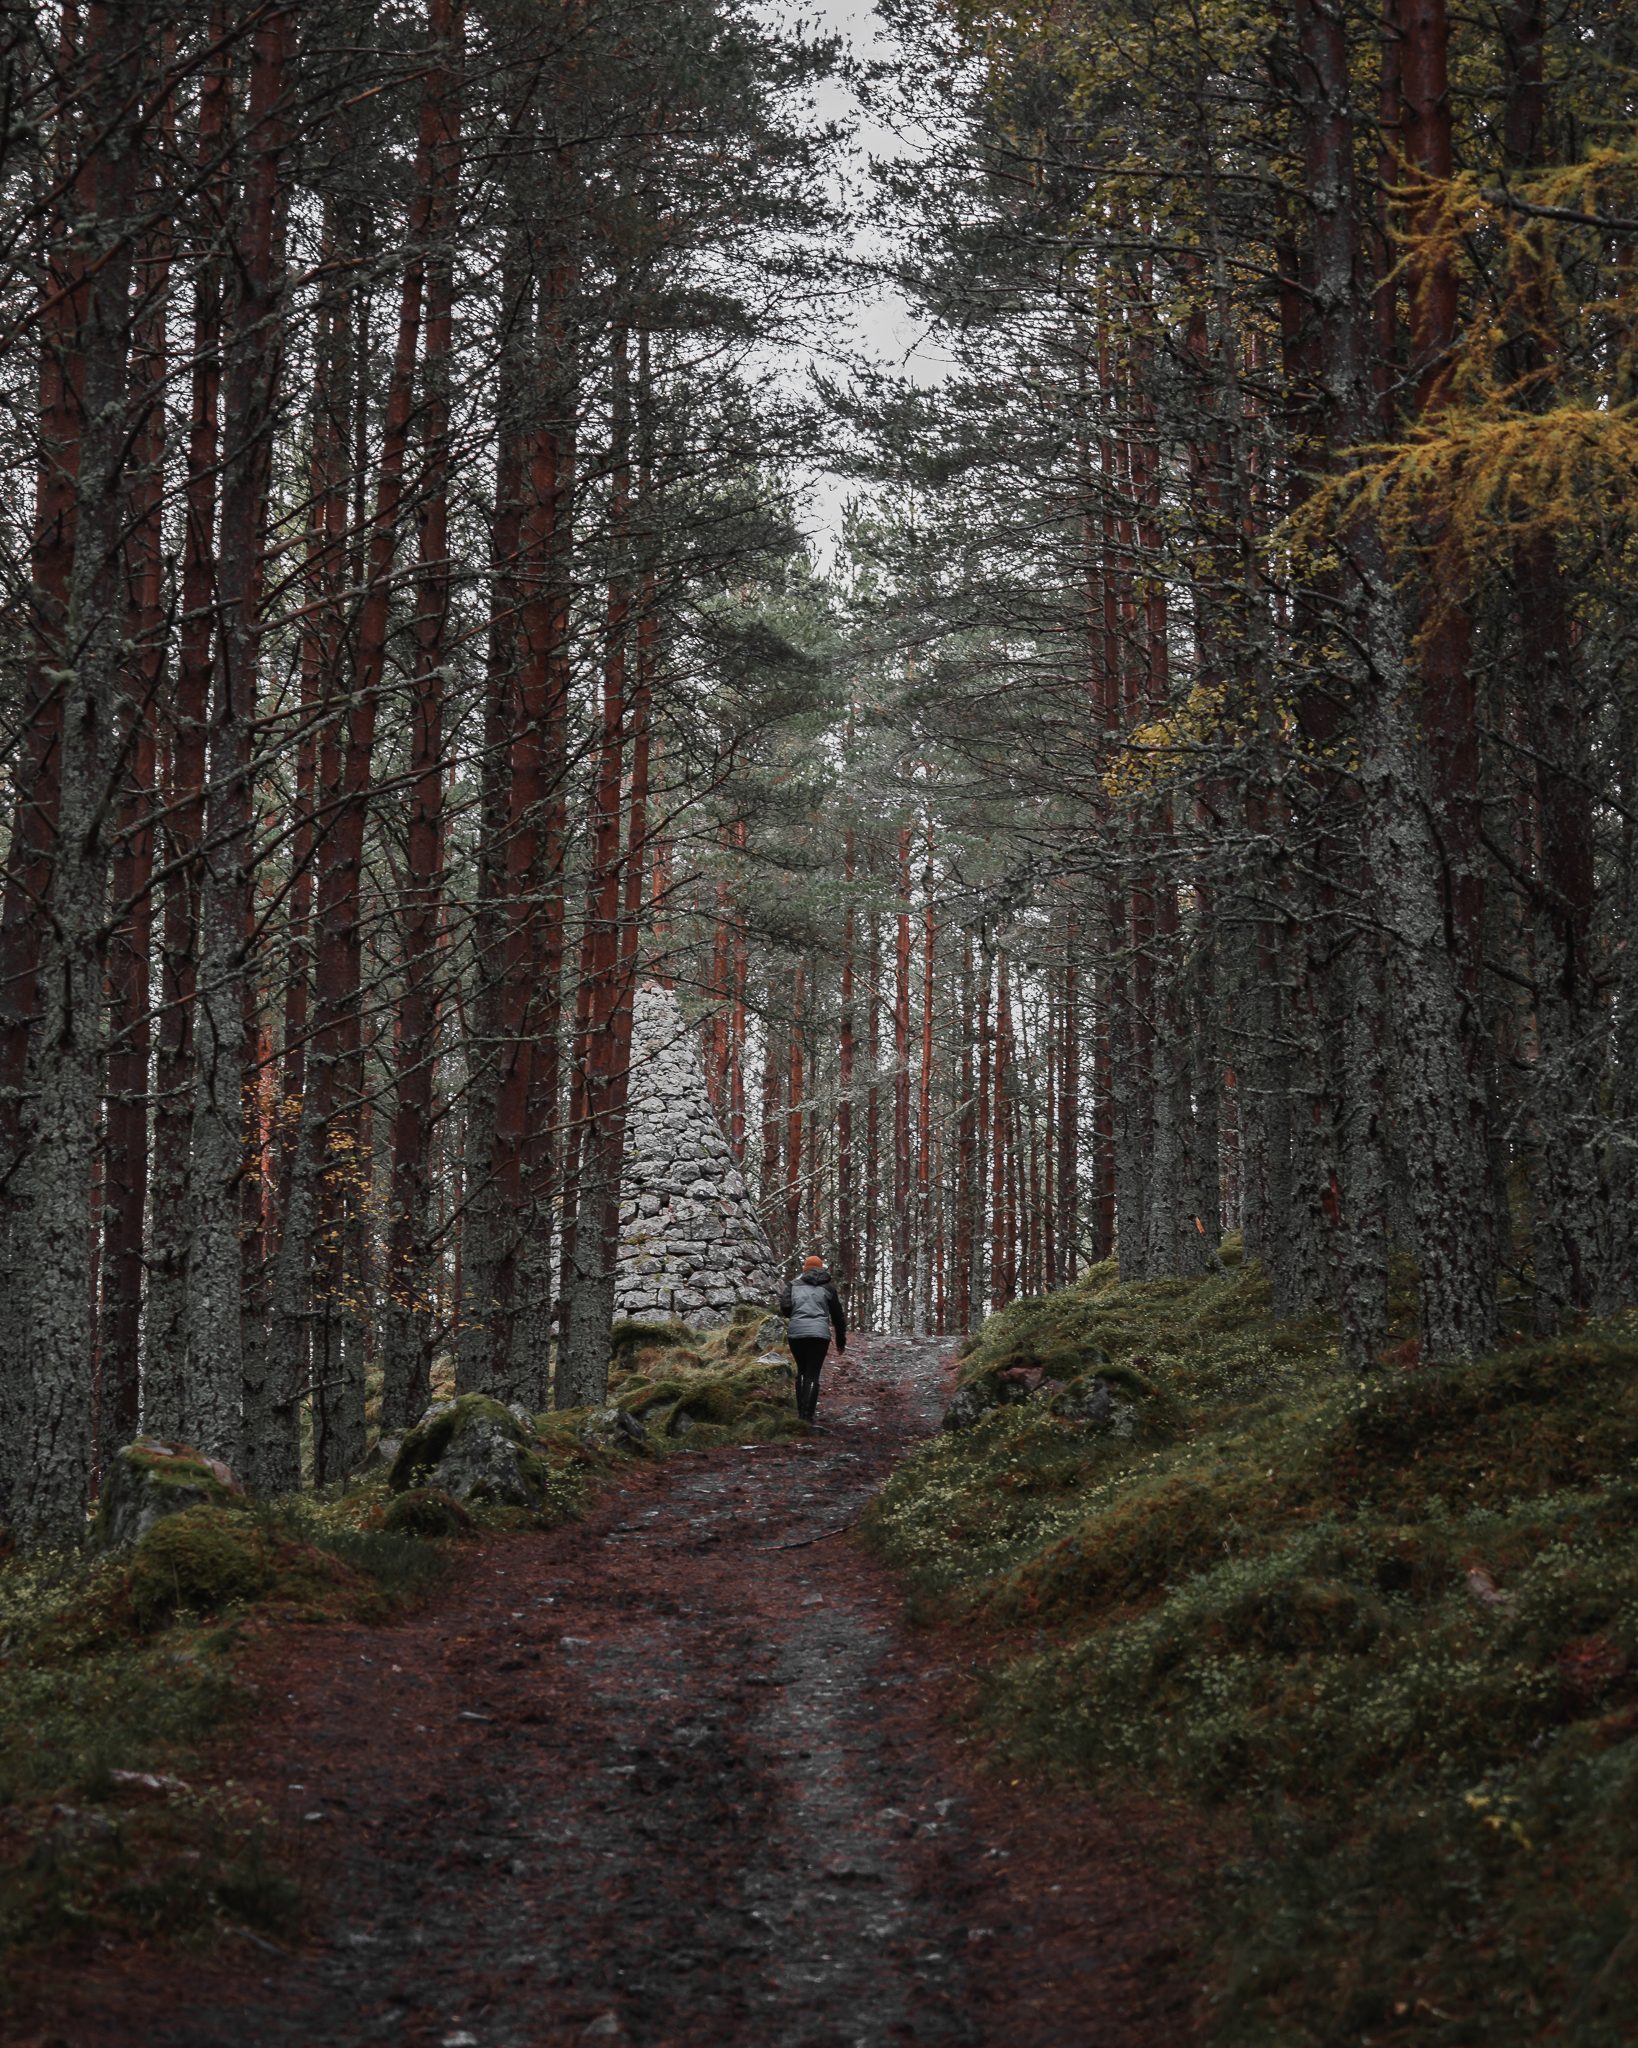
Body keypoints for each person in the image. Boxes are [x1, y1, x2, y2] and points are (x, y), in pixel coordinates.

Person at [778, 1254, 847, 1425]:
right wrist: (840, 1341)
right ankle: (807, 1416)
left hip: (796, 1333)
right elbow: (838, 1317)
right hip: (819, 1335)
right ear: (821, 1269)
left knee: (801, 1370)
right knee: (812, 1373)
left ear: (804, 1269)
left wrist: (797, 1313)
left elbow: (785, 1308)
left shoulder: (792, 1285)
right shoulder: (828, 1288)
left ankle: (801, 1412)